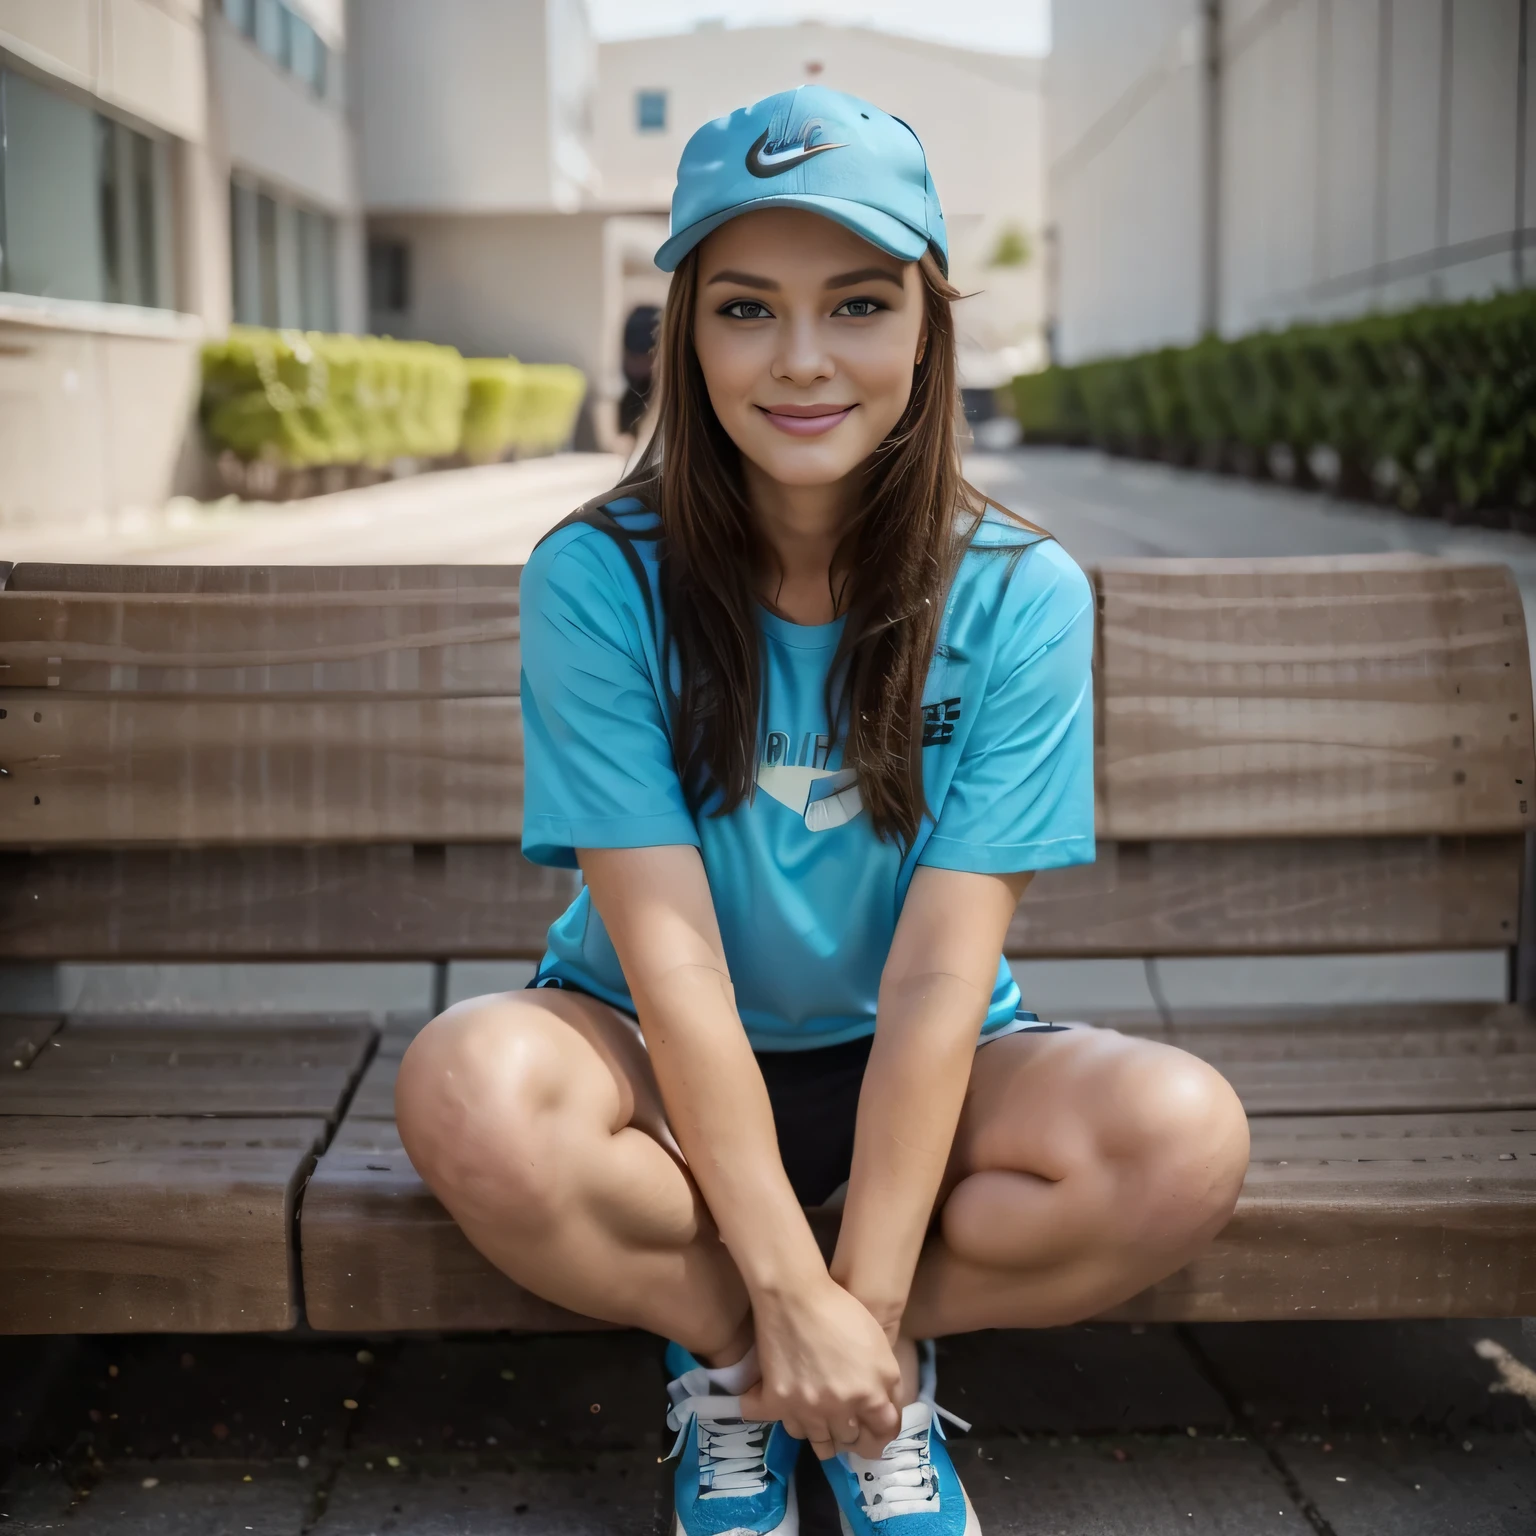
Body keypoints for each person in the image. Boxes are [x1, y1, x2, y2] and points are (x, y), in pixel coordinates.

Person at [395, 86, 1250, 1536]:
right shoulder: (598, 579)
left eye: (856, 304)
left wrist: (852, 1296)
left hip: (924, 1059)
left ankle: (865, 1373)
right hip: (655, 1055)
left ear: (926, 324)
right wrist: (777, 1289)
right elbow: (670, 963)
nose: (802, 361)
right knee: (470, 1089)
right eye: (746, 309)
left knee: (1184, 1138)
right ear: (687, 333)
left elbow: (936, 974)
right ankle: (737, 1357)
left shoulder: (1020, 594)